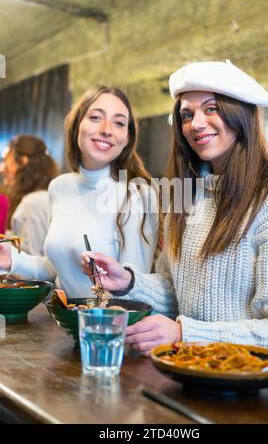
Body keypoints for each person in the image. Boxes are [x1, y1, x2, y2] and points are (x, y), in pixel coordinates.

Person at [81, 61, 268, 359]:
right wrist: (129, 282)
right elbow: (176, 293)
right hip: (192, 372)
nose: (195, 124)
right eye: (187, 114)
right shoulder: (186, 196)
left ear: (242, 115)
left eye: (211, 109)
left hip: (259, 391)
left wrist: (186, 334)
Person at [0, 86, 159, 298]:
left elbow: (134, 290)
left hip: (107, 326)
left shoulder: (138, 195)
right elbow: (59, 268)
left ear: (127, 138)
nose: (106, 129)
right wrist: (13, 259)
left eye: (119, 122)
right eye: (95, 117)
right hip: (62, 322)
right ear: (77, 126)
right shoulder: (60, 187)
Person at [1, 135, 58, 255]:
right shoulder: (40, 198)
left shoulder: (34, 202)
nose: (2, 169)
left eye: (6, 161)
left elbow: (31, 262)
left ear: (22, 162)